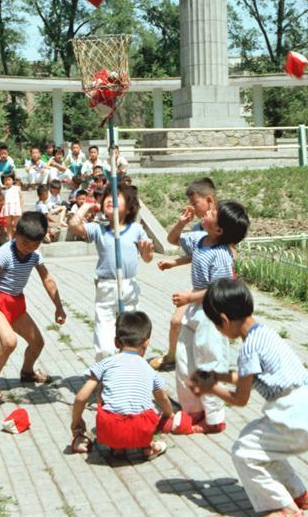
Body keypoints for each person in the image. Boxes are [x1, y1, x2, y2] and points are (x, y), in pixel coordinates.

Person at [191, 279, 308, 517]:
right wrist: (218, 375)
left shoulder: (248, 349)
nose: (219, 331)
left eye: (216, 325)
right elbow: (248, 377)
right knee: (259, 446)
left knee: (243, 453)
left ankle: (285, 509)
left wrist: (211, 388)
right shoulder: (265, 334)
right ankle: (297, 493)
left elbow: (240, 399)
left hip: (292, 414)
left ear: (223, 319)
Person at [168, 200, 250, 434]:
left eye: (213, 213)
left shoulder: (221, 255)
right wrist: (181, 223)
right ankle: (192, 410)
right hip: (194, 310)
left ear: (219, 230)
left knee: (209, 361)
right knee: (184, 360)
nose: (207, 213)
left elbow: (218, 289)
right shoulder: (199, 240)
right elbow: (173, 240)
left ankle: (214, 418)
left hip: (211, 313)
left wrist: (189, 297)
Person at [0, 212, 66, 403]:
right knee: (9, 342)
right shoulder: (5, 253)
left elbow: (47, 280)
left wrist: (59, 307)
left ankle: (27, 372)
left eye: (35, 245)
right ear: (15, 234)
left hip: (16, 302)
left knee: (38, 342)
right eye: (25, 243)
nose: (28, 249)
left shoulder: (34, 254)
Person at [71, 311, 173, 459]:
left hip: (110, 429)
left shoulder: (105, 364)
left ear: (116, 342)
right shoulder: (149, 369)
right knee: (147, 409)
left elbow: (81, 397)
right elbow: (162, 398)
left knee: (103, 392)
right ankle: (148, 447)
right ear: (147, 342)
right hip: (142, 430)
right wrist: (169, 414)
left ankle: (117, 448)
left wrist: (76, 422)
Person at [69, 185, 154, 360]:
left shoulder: (136, 229)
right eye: (107, 196)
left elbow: (147, 258)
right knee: (105, 335)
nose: (109, 199)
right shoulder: (99, 228)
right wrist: (87, 205)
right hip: (106, 286)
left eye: (116, 198)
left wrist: (147, 251)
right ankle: (104, 368)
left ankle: (132, 365)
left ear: (129, 207)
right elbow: (74, 225)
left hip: (129, 285)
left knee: (132, 328)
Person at [151, 177, 220, 371]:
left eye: (194, 203)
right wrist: (174, 262)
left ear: (209, 200)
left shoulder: (223, 223)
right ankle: (173, 357)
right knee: (176, 321)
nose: (192, 207)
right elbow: (196, 252)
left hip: (215, 288)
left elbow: (221, 255)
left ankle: (209, 371)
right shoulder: (200, 227)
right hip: (199, 286)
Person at [0, 171, 23, 241]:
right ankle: (10, 238)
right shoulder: (3, 190)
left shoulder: (17, 188)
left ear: (13, 180)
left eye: (9, 179)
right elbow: (0, 199)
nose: (7, 182)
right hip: (7, 208)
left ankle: (17, 238)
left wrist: (21, 208)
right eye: (5, 180)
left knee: (16, 225)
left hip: (16, 207)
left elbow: (21, 198)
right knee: (8, 225)